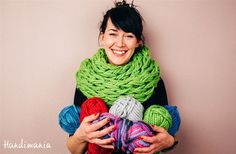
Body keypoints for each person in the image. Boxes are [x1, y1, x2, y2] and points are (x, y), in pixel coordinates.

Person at [66, 1, 178, 153]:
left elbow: (164, 138)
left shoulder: (152, 80)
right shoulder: (87, 80)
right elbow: (75, 150)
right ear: (102, 37)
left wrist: (169, 141)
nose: (120, 43)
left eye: (129, 36)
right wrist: (80, 136)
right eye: (113, 34)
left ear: (138, 42)